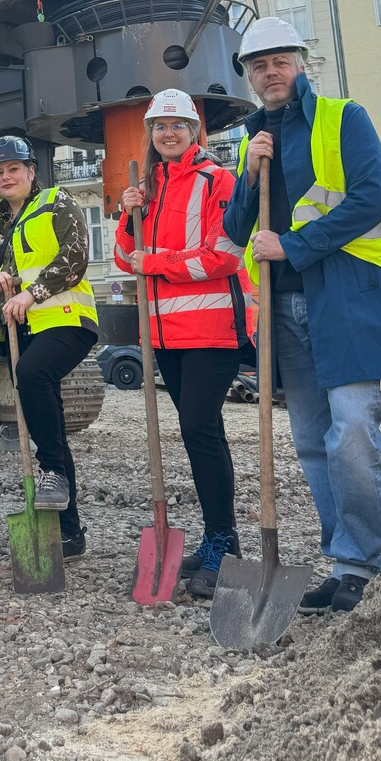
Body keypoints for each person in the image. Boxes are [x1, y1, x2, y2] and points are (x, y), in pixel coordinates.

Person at [223, 17, 381, 614]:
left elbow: (370, 198)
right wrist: (248, 176)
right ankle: (343, 561)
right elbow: (236, 230)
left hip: (345, 296)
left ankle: (361, 560)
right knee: (311, 440)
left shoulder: (343, 118)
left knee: (352, 431)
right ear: (249, 76)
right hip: (283, 306)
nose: (270, 73)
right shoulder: (250, 140)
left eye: (279, 61)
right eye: (259, 66)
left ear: (300, 63)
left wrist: (293, 245)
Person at [114, 89, 252, 599]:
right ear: (151, 134)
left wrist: (156, 263)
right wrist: (128, 216)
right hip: (164, 334)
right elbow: (125, 258)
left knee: (198, 428)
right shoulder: (147, 187)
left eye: (177, 125)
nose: (168, 133)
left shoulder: (219, 181)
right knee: (201, 433)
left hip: (213, 330)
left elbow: (224, 256)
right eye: (160, 126)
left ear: (195, 132)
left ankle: (221, 542)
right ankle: (222, 539)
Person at [0, 135, 98, 561]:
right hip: (17, 330)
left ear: (30, 171)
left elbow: (75, 257)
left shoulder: (56, 202)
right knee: (50, 425)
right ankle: (70, 534)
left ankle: (52, 470)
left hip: (65, 319)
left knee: (31, 375)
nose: (6, 177)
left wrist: (31, 292)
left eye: (14, 169)